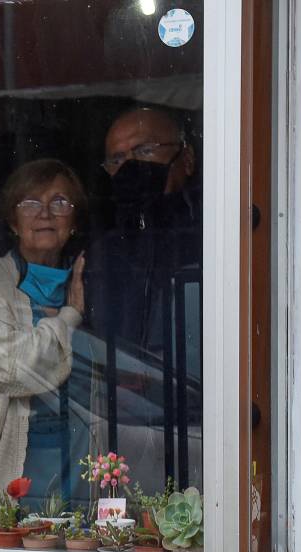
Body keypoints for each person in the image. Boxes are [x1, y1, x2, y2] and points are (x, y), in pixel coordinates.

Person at [79, 105, 201, 496]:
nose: (131, 167)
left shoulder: (217, 233)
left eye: (145, 150)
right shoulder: (101, 253)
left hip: (208, 425)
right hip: (124, 426)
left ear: (186, 157)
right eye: (117, 159)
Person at [0, 158, 88, 503]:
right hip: (17, 453)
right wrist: (69, 318)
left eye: (60, 202)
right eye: (30, 203)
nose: (45, 213)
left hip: (78, 449)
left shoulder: (91, 281)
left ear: (74, 221)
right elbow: (17, 368)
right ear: (13, 220)